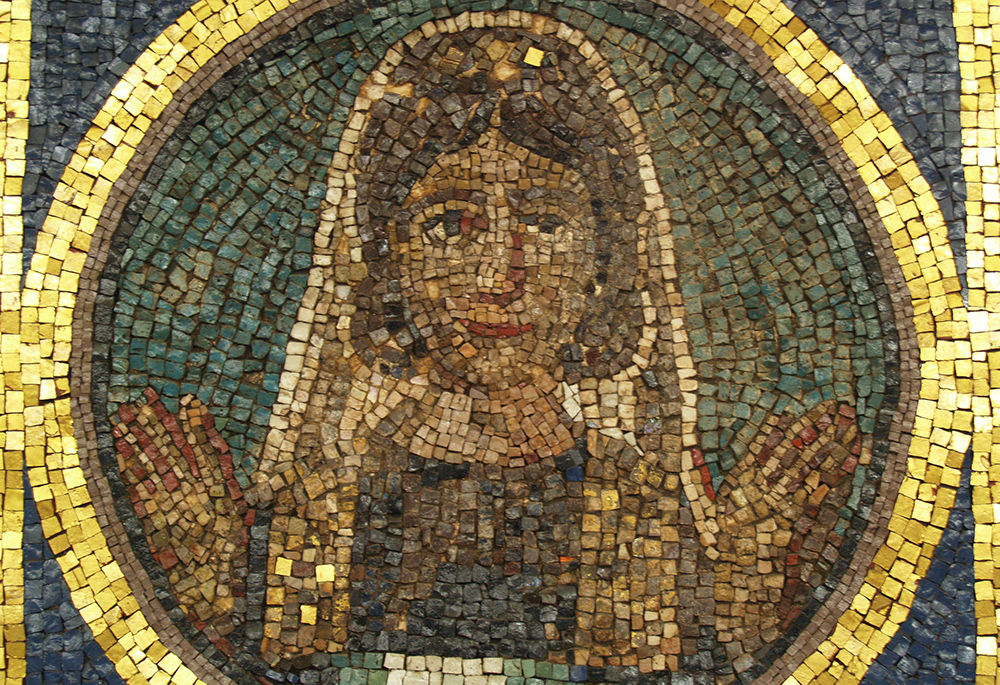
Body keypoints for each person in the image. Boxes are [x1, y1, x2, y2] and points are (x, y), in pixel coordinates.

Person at [114, 18, 866, 679]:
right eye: (449, 223)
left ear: (606, 254)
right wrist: (219, 595)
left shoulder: (653, 529)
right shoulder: (311, 528)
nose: (499, 273)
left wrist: (745, 620)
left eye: (543, 220)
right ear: (388, 258)